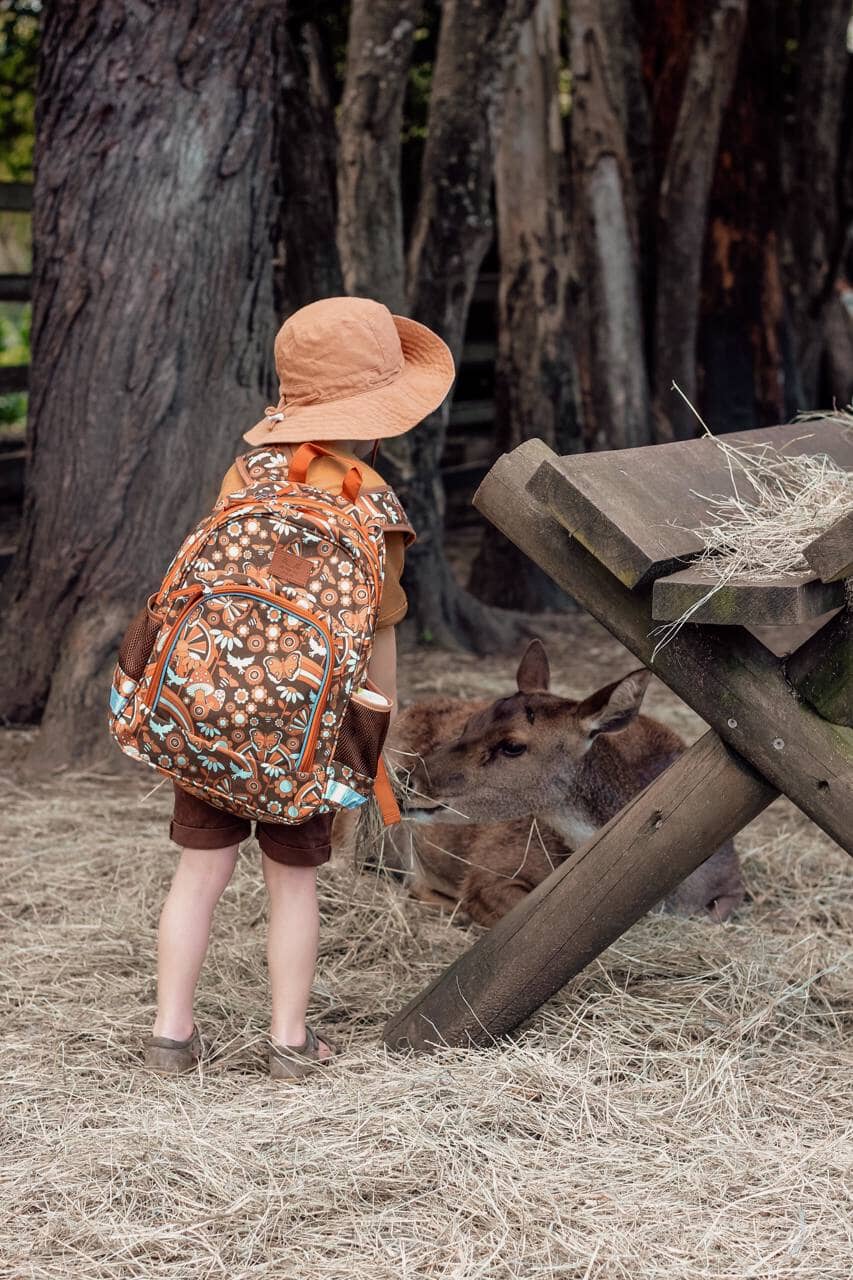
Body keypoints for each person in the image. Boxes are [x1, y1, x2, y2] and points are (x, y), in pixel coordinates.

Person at [144, 297, 455, 1080]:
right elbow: (378, 635)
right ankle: (289, 1042)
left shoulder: (244, 471)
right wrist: (372, 738)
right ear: (378, 416)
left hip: (211, 712)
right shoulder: (374, 506)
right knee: (293, 888)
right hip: (305, 736)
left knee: (198, 877)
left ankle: (170, 1034)